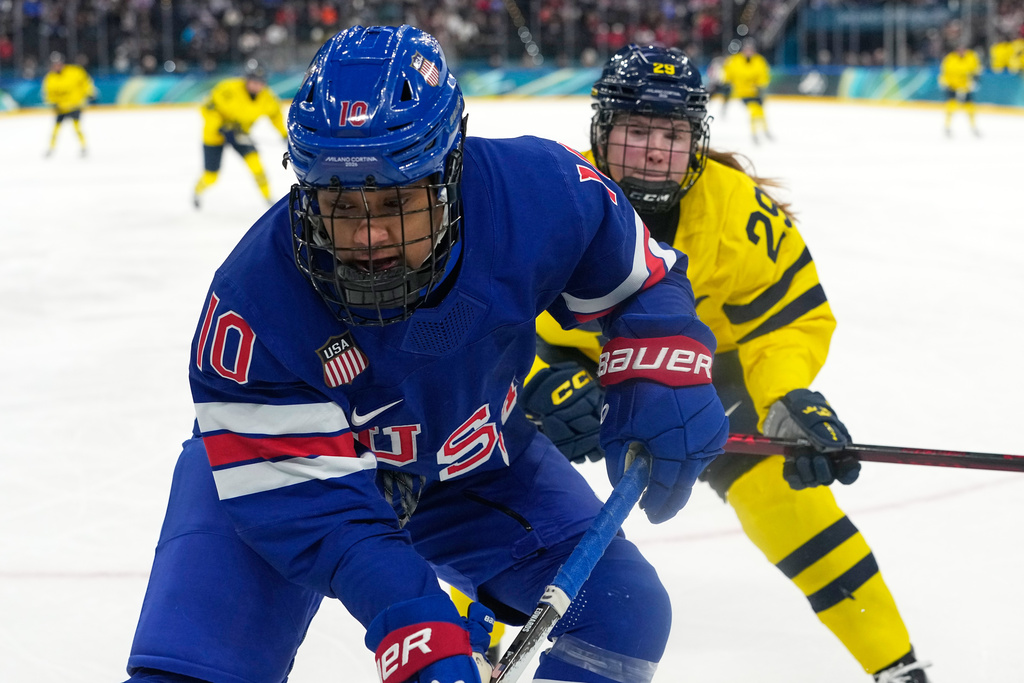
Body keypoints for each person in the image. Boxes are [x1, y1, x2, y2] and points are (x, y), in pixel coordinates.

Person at [122, 25, 729, 683]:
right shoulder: (253, 299)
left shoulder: (538, 191)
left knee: (621, 612)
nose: (371, 234)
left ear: (450, 168)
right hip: (287, 478)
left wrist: (660, 370)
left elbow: (638, 277)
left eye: (397, 201)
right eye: (340, 204)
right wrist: (412, 617)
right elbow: (310, 505)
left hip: (468, 462)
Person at [499, 44, 931, 683]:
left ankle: (898, 670)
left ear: (697, 139)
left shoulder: (737, 211)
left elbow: (788, 320)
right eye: (637, 130)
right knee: (486, 476)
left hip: (695, 371)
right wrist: (534, 379)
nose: (653, 151)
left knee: (789, 504)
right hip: (570, 359)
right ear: (601, 130)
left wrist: (787, 397)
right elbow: (477, 321)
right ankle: (466, 640)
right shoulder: (548, 192)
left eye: (671, 135)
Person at [193, 59, 287, 208]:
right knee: (211, 176)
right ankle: (197, 191)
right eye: (253, 81)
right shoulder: (228, 89)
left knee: (256, 165)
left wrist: (284, 135)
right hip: (215, 135)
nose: (257, 85)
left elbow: (275, 116)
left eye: (260, 81)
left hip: (240, 135)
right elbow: (208, 108)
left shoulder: (267, 97)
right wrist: (220, 127)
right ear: (246, 79)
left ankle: (269, 199)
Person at [41, 51, 96, 157]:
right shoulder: (50, 78)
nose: (56, 66)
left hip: (75, 105)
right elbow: (48, 93)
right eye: (54, 64)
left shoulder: (75, 72)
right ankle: (51, 148)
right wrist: (52, 102)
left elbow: (85, 82)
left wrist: (89, 93)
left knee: (77, 127)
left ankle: (83, 147)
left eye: (58, 63)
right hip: (61, 108)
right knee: (55, 129)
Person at [723, 39, 772, 143]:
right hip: (743, 92)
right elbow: (728, 72)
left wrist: (760, 85)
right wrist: (727, 81)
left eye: (751, 49)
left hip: (755, 92)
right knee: (753, 111)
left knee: (760, 111)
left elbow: (764, 74)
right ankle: (755, 132)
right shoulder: (735, 60)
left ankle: (765, 130)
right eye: (746, 49)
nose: (748, 51)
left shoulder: (759, 60)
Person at [938, 42, 982, 137]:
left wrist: (975, 80)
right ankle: (947, 126)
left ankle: (973, 127)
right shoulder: (950, 58)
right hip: (952, 85)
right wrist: (944, 82)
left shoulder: (971, 57)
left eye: (963, 49)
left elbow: (977, 70)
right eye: (959, 49)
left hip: (966, 86)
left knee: (970, 107)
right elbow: (944, 71)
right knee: (951, 106)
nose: (961, 51)